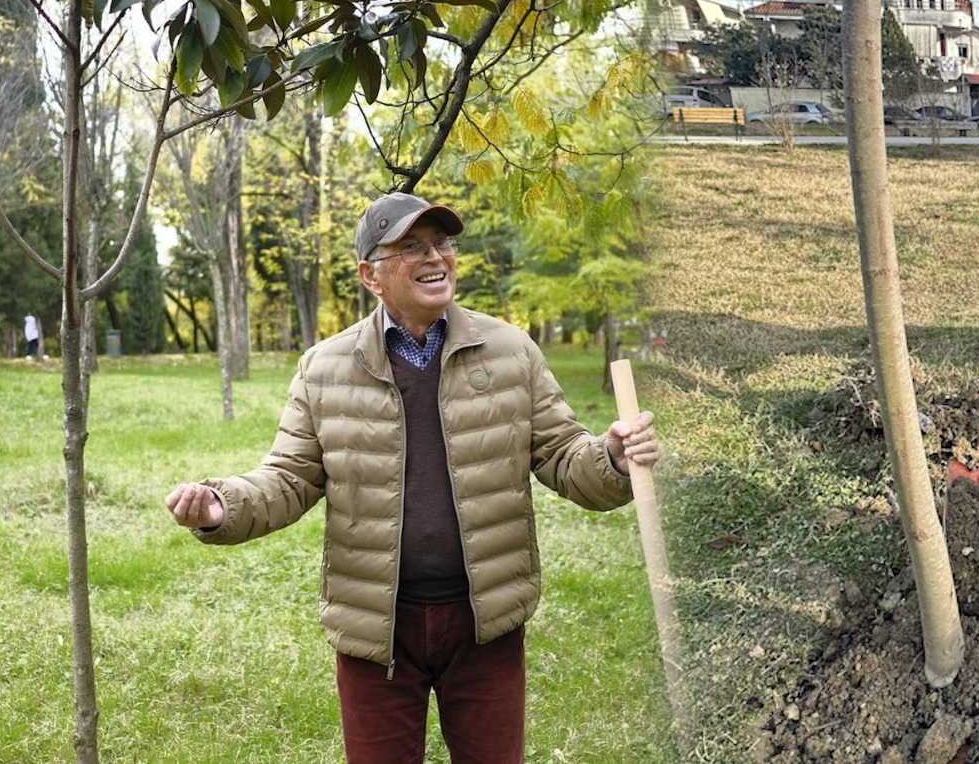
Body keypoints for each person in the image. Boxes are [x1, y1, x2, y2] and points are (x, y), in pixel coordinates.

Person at [164, 192, 660, 763]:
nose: (436, 258)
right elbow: (288, 478)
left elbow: (563, 454)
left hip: (485, 623)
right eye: (411, 247)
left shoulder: (509, 352)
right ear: (370, 275)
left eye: (442, 243)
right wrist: (221, 507)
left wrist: (613, 459)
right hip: (377, 631)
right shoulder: (324, 368)